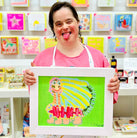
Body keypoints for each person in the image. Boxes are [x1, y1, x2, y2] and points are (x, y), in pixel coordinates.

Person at [23, 1, 120, 137]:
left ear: (78, 22)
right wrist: (28, 80)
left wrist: (114, 86)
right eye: (58, 24)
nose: (65, 27)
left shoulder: (97, 57)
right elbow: (38, 96)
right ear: (53, 29)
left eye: (69, 21)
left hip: (89, 131)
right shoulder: (41, 59)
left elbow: (109, 97)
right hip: (52, 131)